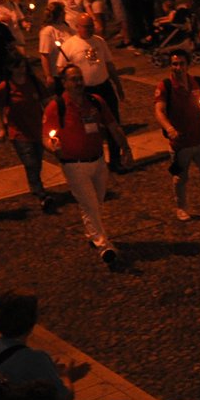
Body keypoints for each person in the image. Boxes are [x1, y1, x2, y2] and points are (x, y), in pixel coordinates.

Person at [43, 64, 131, 265]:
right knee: (90, 204)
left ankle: (91, 232)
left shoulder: (95, 102)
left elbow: (113, 126)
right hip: (74, 165)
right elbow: (45, 135)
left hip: (99, 161)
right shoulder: (56, 107)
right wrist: (52, 147)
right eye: (73, 79)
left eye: (80, 78)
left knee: (96, 201)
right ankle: (104, 246)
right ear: (64, 83)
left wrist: (126, 148)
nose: (78, 82)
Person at [154, 50, 200, 223]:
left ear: (188, 65)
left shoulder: (198, 82)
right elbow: (159, 110)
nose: (178, 67)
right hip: (180, 144)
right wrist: (169, 127)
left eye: (181, 63)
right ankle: (181, 207)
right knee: (180, 178)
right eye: (174, 64)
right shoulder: (165, 86)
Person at [59, 12, 125, 171]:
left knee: (113, 123)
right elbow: (61, 69)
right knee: (90, 127)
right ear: (77, 27)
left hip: (104, 86)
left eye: (91, 26)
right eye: (85, 27)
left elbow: (109, 64)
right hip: (84, 90)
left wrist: (118, 85)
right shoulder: (69, 45)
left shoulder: (100, 42)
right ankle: (94, 160)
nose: (89, 30)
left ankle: (116, 160)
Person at [0, 59, 54, 212]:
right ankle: (41, 194)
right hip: (18, 131)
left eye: (22, 65)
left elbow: (46, 100)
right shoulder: (5, 87)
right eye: (17, 66)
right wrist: (1, 128)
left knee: (37, 160)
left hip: (37, 128)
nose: (21, 69)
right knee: (30, 162)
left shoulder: (33, 82)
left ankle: (34, 184)